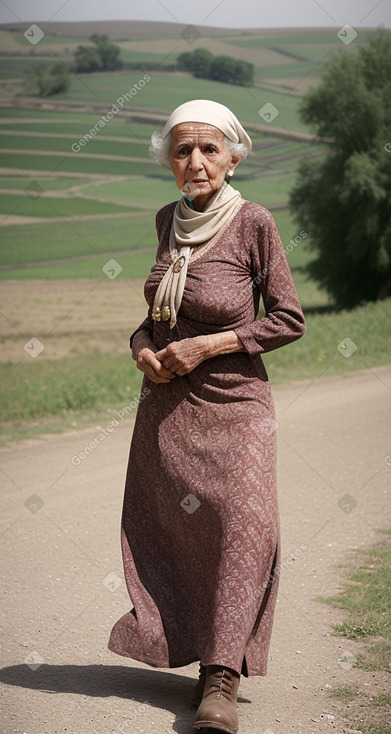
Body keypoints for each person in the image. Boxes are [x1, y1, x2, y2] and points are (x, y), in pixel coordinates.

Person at [108, 99, 305, 733]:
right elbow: (159, 315)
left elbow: (287, 319)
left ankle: (223, 677)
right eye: (183, 150)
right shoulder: (167, 220)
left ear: (234, 154)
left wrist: (211, 345)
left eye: (209, 149)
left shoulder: (254, 223)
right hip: (168, 406)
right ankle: (198, 658)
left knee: (245, 527)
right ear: (170, 161)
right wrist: (141, 345)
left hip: (238, 402)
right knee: (182, 532)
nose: (196, 161)